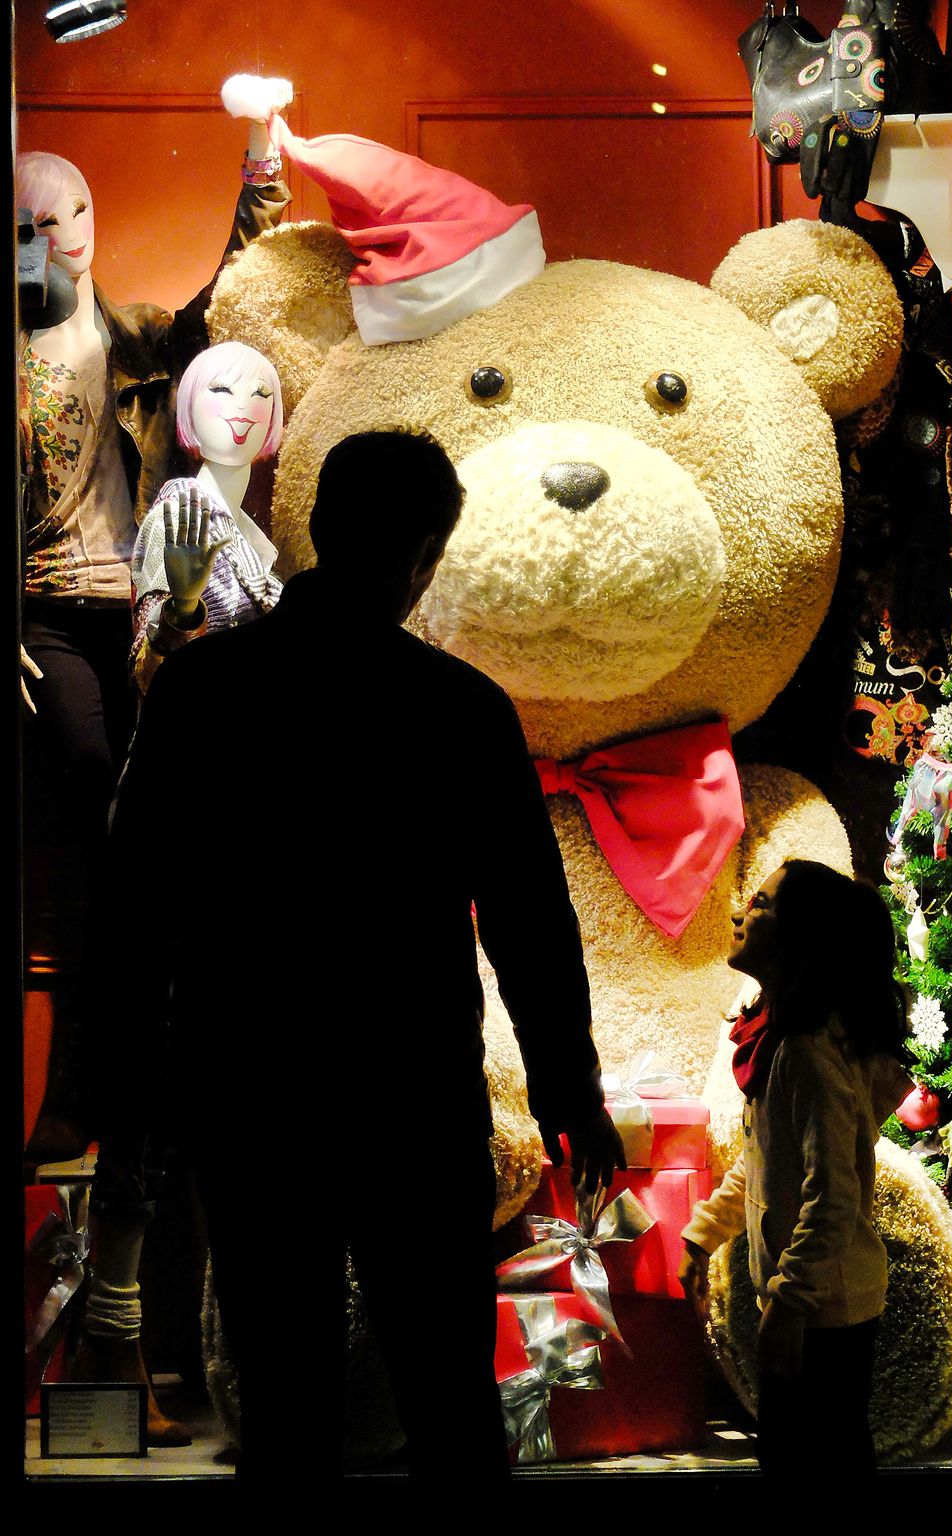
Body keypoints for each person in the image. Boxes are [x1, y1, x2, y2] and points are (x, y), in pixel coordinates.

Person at [99, 429, 625, 1480]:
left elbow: (134, 900)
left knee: (283, 1398)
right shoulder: (459, 708)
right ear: (426, 552)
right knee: (444, 1394)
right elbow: (529, 918)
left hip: (249, 1086)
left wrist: (128, 1081)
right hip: (412, 1090)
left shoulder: (201, 693)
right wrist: (570, 1089)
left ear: (320, 529)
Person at [18, 98, 291, 1168]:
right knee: (96, 832)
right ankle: (86, 1095)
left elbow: (228, 299)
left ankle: (152, 1095)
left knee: (163, 844)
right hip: (46, 617)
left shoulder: (129, 338)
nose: (47, 240)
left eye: (62, 216)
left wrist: (261, 159)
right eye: (25, 224)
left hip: (139, 613)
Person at [678, 859, 913, 1476]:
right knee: (801, 1456)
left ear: (801, 939)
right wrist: (704, 1234)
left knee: (809, 1462)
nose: (738, 912)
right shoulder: (783, 1040)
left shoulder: (808, 1054)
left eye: (759, 904)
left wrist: (788, 1305)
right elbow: (764, 1168)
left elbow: (832, 1197)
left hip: (825, 1312)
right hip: (807, 1302)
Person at [129, 340, 285, 694]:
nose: (244, 405)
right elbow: (147, 673)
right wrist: (182, 609)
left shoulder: (252, 538)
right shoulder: (178, 515)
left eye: (261, 394)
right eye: (221, 390)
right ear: (189, 406)